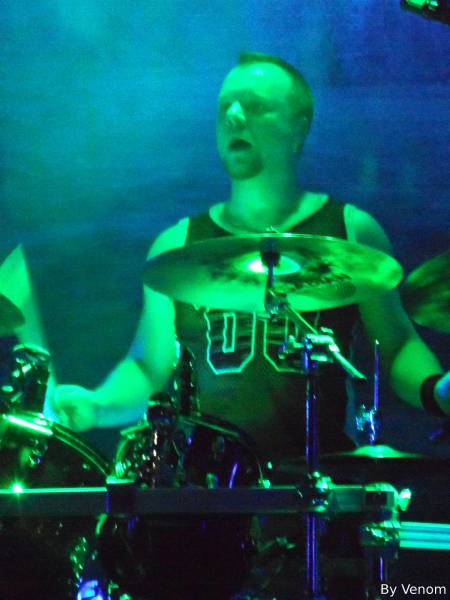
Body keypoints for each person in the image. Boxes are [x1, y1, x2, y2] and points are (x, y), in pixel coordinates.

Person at [50, 52, 450, 600]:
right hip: (208, 499)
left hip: (316, 492)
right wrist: (96, 406)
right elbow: (147, 367)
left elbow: (398, 346)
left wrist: (437, 389)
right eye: (225, 108)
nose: (234, 117)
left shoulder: (350, 231)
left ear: (299, 126)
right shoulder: (176, 245)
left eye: (255, 106)